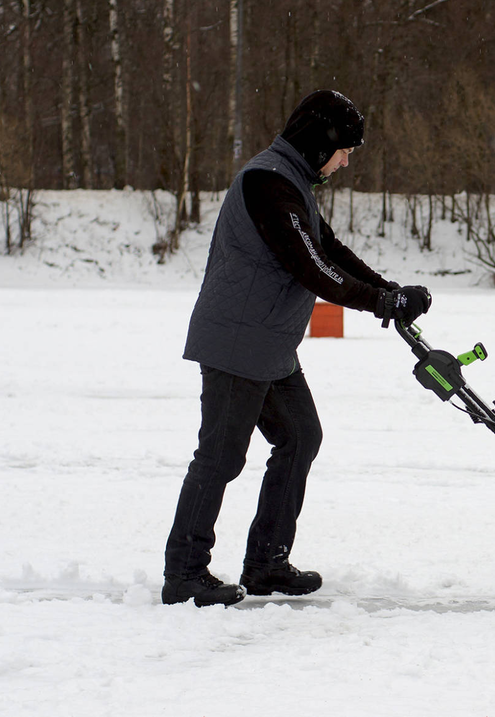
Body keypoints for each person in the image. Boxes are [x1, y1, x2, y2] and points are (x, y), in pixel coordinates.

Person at [162, 90, 431, 607]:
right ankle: (185, 572)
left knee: (301, 436)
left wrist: (388, 291)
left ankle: (265, 563)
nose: (348, 160)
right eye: (345, 149)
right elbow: (312, 267)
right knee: (220, 457)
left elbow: (329, 248)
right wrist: (381, 300)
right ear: (319, 142)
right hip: (239, 342)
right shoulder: (267, 183)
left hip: (268, 343)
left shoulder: (291, 183)